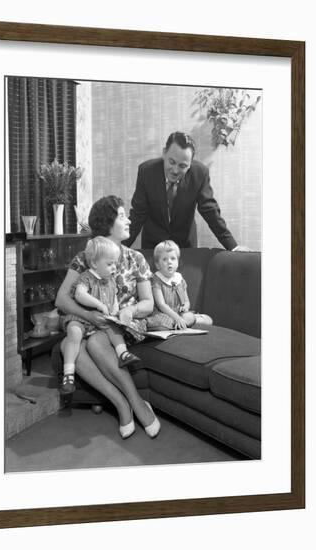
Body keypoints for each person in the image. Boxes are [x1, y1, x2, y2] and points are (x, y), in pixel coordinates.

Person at [55, 196, 161, 439]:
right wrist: (89, 317)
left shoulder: (136, 259)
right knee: (68, 345)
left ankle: (136, 403)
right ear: (107, 222)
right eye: (122, 216)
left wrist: (130, 311)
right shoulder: (85, 257)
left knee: (94, 342)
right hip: (92, 322)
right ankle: (123, 404)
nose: (129, 219)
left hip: (121, 326)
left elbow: (148, 303)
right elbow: (61, 299)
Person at [122, 131, 250, 251]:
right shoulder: (147, 172)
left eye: (182, 166)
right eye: (171, 162)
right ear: (164, 153)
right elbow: (138, 215)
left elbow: (210, 211)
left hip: (185, 247)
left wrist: (233, 247)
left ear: (190, 164)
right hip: (154, 247)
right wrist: (118, 248)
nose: (175, 170)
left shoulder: (199, 174)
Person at [60, 236, 142, 395]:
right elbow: (79, 295)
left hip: (100, 321)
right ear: (95, 263)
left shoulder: (110, 280)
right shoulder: (86, 277)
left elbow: (114, 299)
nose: (114, 267)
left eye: (115, 263)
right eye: (110, 264)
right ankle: (68, 374)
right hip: (82, 318)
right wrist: (98, 305)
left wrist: (115, 310)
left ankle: (123, 353)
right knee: (74, 332)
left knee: (115, 328)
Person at [147, 240, 213, 330]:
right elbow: (161, 305)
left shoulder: (180, 280)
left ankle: (181, 324)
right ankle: (178, 324)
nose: (169, 262)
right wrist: (176, 318)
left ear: (178, 262)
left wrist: (185, 307)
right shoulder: (156, 280)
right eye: (164, 259)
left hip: (180, 314)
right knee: (161, 323)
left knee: (207, 320)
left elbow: (186, 301)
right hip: (164, 313)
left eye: (173, 258)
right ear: (158, 265)